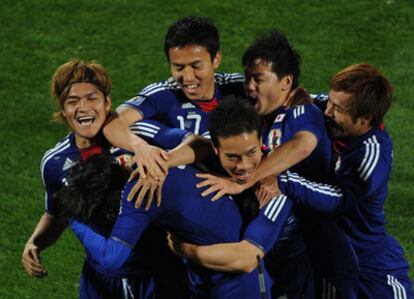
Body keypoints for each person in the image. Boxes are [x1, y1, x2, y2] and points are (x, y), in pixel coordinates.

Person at [61, 99, 312, 299]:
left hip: (242, 285)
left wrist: (72, 219)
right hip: (200, 282)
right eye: (233, 157)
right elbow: (189, 140)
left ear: (261, 143)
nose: (244, 166)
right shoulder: (185, 159)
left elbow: (247, 259)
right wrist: (156, 159)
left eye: (251, 153)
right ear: (217, 148)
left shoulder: (275, 188)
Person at [193, 30, 358, 299]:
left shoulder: (302, 112)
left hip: (321, 247)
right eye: (247, 78)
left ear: (286, 83)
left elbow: (303, 145)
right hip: (282, 243)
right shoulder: (259, 119)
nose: (249, 86)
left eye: (258, 79)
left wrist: (244, 180)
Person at [21, 59, 189, 298]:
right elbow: (56, 213)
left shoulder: (141, 138)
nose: (83, 107)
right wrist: (34, 243)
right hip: (100, 280)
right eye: (73, 101)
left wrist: (165, 162)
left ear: (107, 102)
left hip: (159, 272)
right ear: (63, 109)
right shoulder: (54, 162)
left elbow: (197, 144)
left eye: (92, 98)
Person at [278, 63, 413, 298]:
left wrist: (283, 179)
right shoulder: (333, 110)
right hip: (327, 248)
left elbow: (339, 198)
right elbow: (314, 101)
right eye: (330, 101)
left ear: (365, 119)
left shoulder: (371, 155)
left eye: (337, 108)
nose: (328, 111)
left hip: (368, 258)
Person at [101, 16, 245, 196]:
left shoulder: (241, 88)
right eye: (178, 67)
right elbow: (113, 122)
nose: (188, 77)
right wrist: (141, 148)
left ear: (216, 59)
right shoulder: (162, 94)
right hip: (177, 190)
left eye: (196, 66)